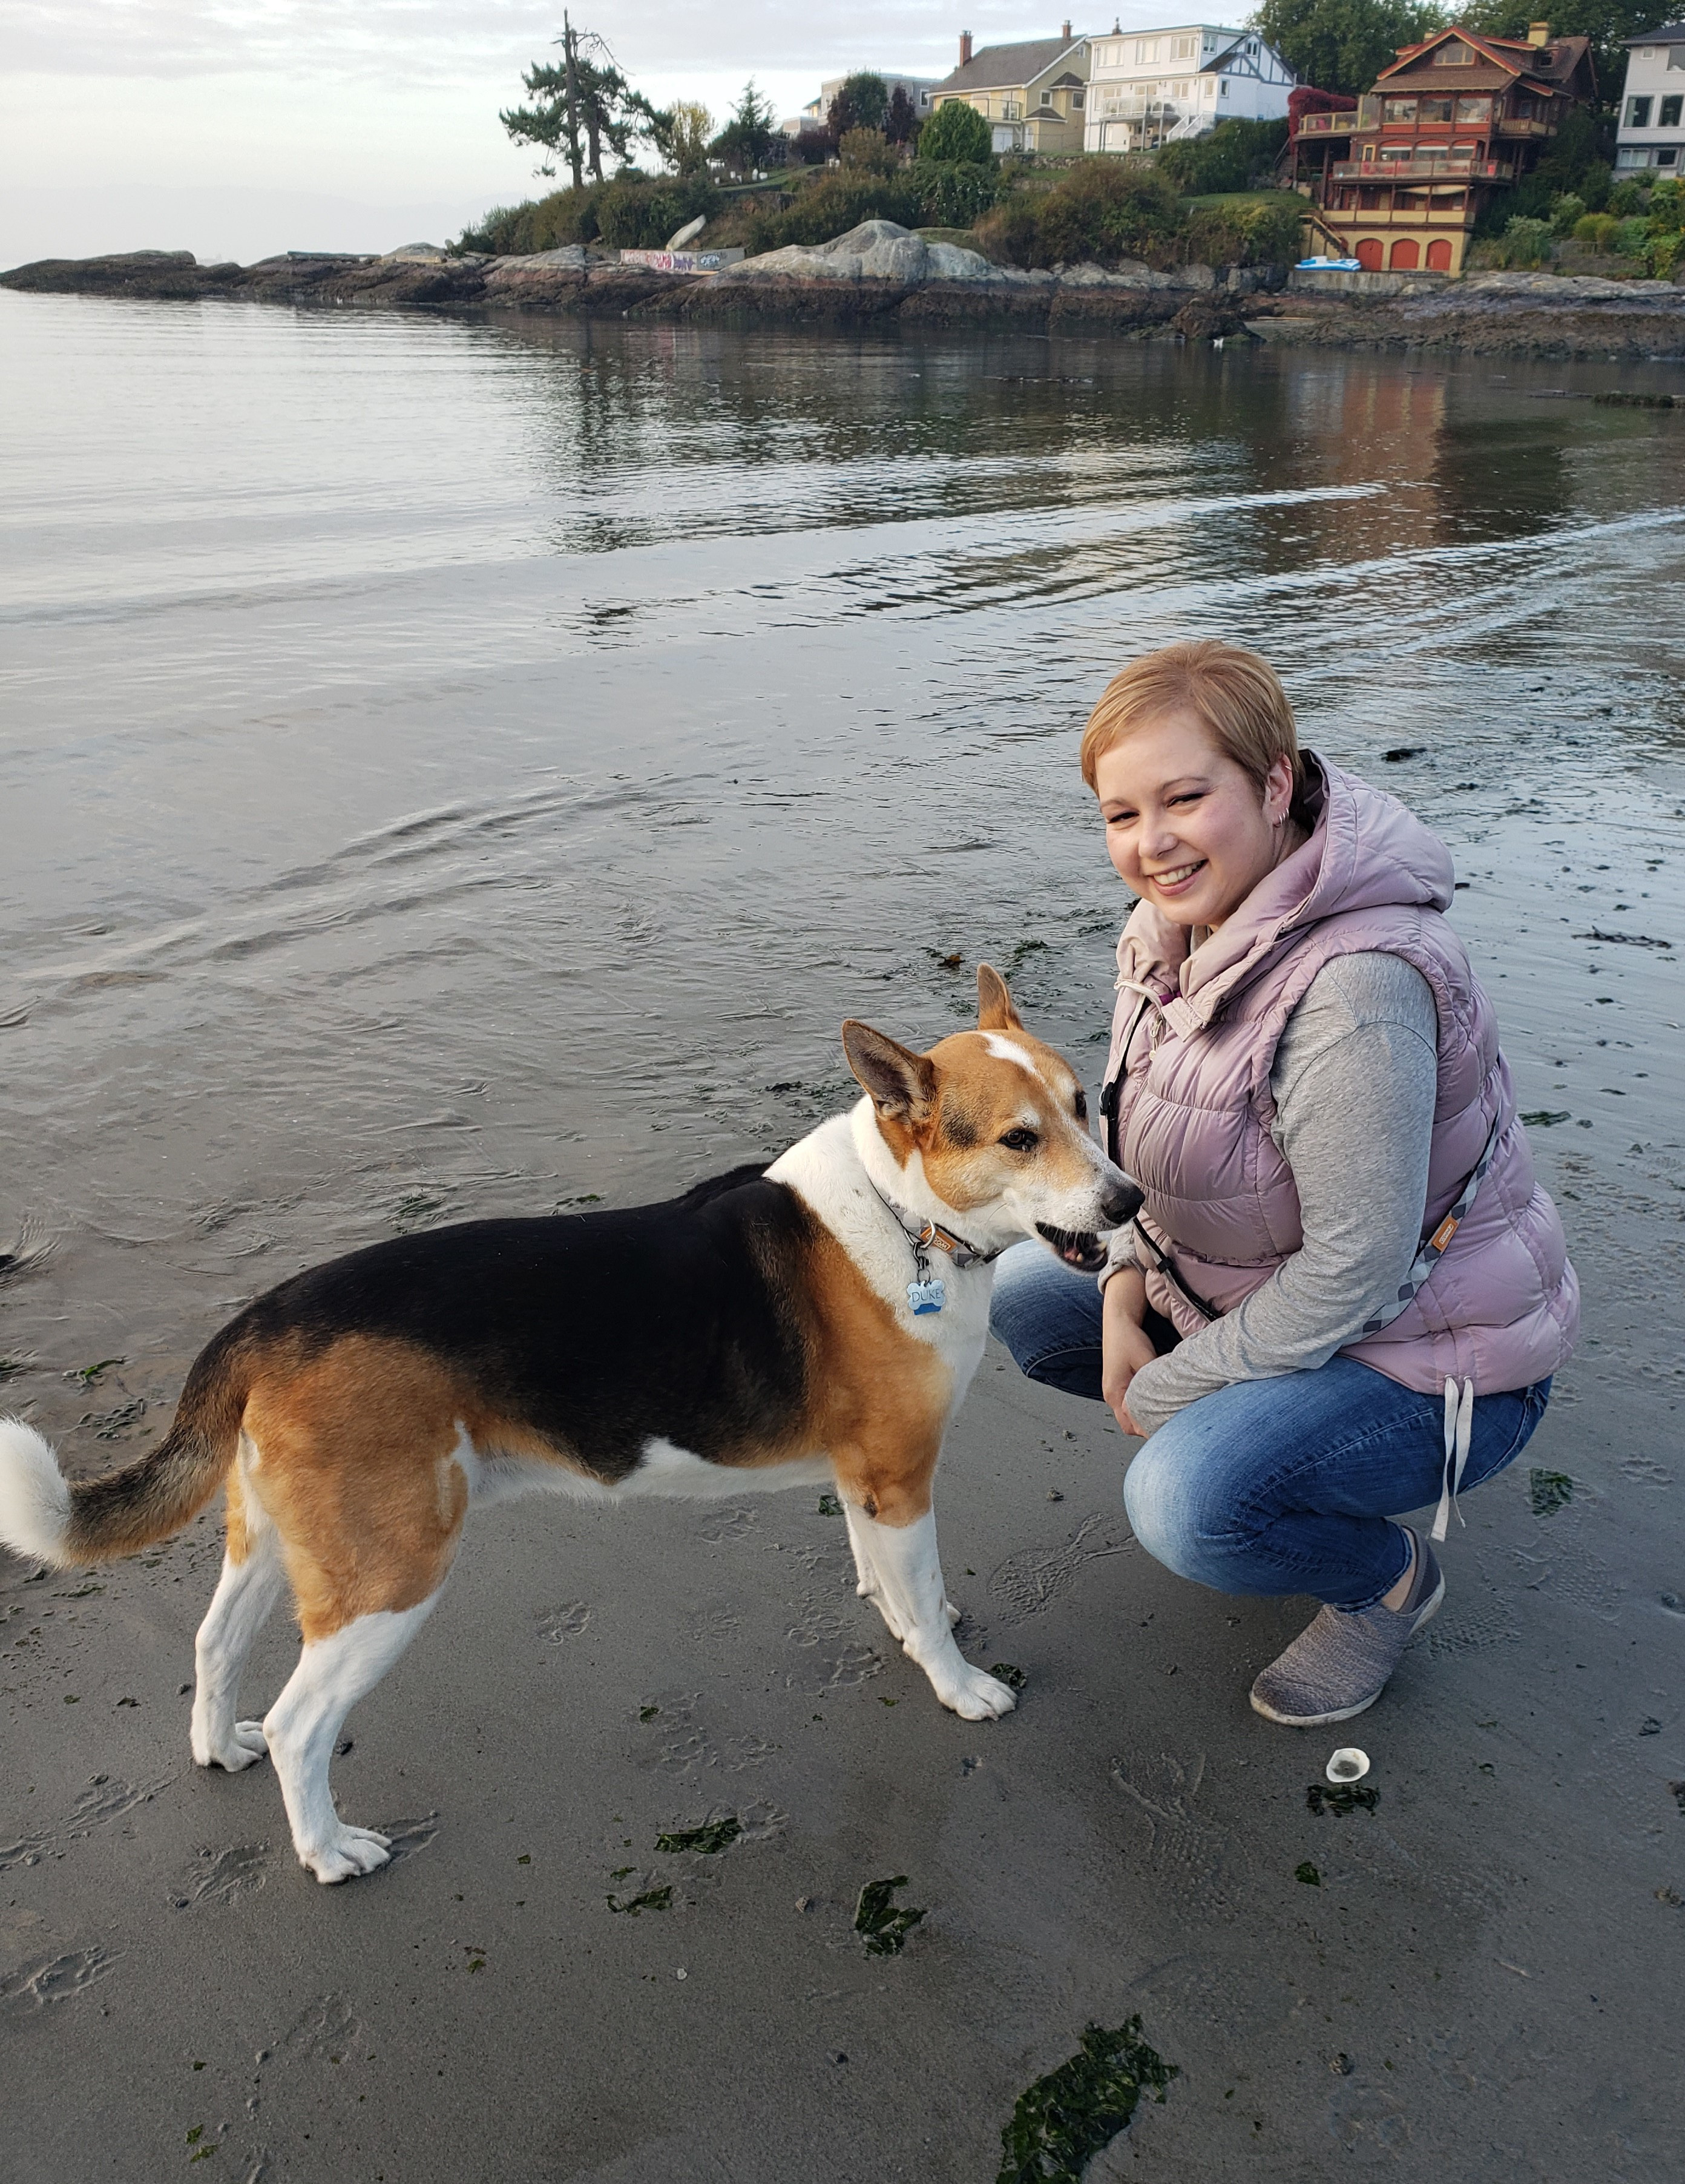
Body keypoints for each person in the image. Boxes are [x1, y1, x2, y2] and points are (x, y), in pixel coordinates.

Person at [989, 640, 1577, 1727]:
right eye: (1122, 815)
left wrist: (1168, 1389)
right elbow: (1141, 1169)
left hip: (1432, 1356)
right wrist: (1123, 1294)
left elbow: (1357, 1269)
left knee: (1183, 1504)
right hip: (1260, 1293)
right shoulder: (1169, 931)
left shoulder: (1355, 991)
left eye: (1184, 798)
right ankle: (1264, 1453)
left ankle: (1384, 1581)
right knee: (1029, 1294)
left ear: (1273, 783)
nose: (1152, 845)